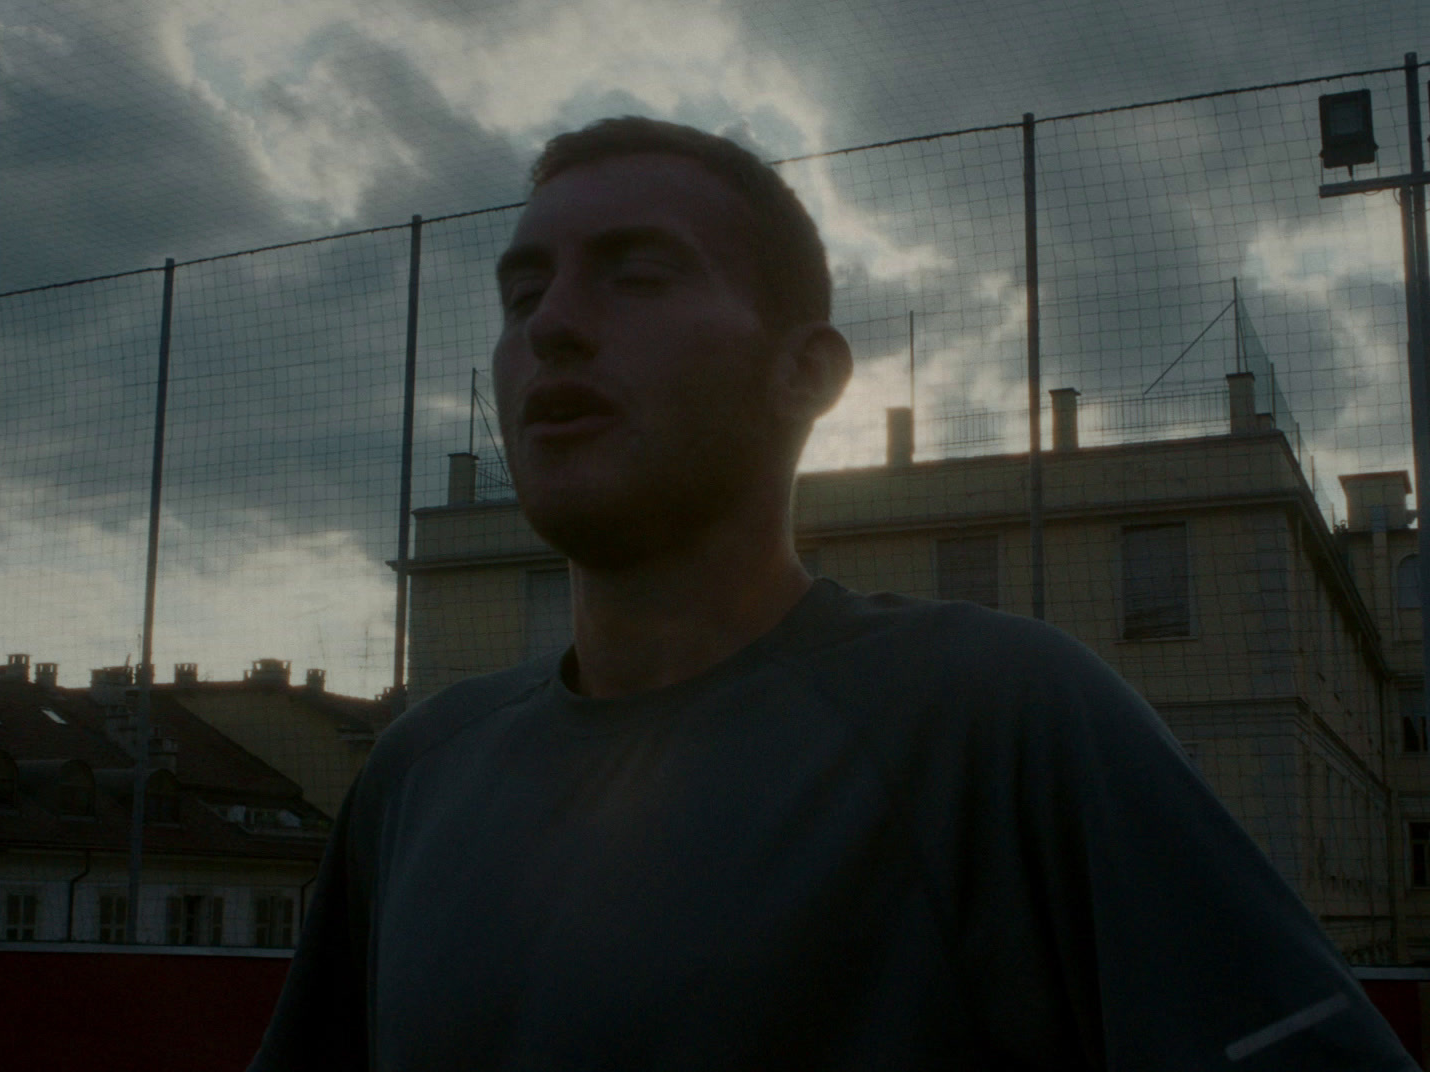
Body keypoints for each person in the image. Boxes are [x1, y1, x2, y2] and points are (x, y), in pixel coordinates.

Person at [250, 117, 1416, 1070]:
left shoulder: (1003, 719)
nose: (550, 325)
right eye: (520, 296)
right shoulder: (418, 771)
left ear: (806, 373)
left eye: (636, 275)